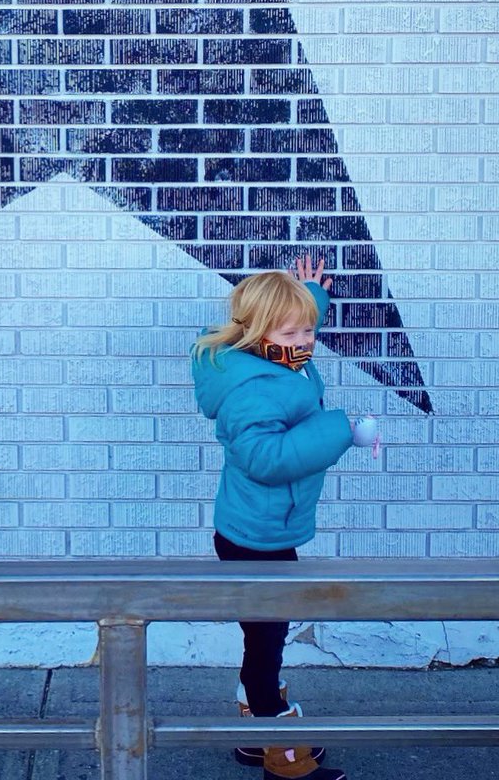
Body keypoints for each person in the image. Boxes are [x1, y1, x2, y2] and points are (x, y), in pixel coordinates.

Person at [192, 256, 353, 780]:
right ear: (262, 334)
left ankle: (251, 730)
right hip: (256, 538)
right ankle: (281, 751)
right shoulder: (255, 388)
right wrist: (340, 430)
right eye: (294, 330)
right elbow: (264, 459)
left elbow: (294, 329)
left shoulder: (276, 356)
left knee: (265, 632)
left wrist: (310, 296)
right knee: (266, 639)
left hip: (264, 528)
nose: (306, 339)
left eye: (309, 328)